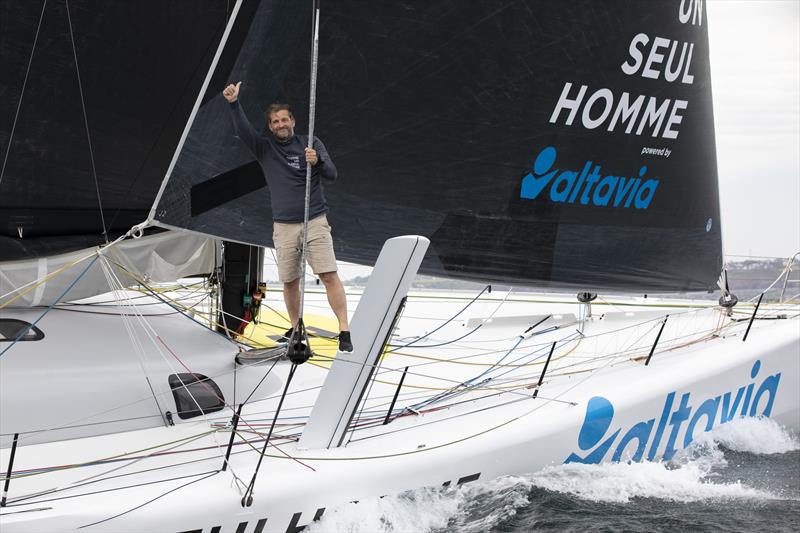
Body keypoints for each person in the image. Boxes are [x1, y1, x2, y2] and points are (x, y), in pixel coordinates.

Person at [222, 81, 353, 352]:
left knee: (329, 274)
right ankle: (296, 327)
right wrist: (234, 103)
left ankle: (344, 330)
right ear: (270, 127)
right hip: (283, 226)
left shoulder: (311, 143)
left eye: (284, 119)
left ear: (292, 121)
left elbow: (332, 175)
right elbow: (243, 132)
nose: (280, 124)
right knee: (290, 280)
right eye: (275, 122)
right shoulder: (266, 149)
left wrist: (317, 161)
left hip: (314, 219)